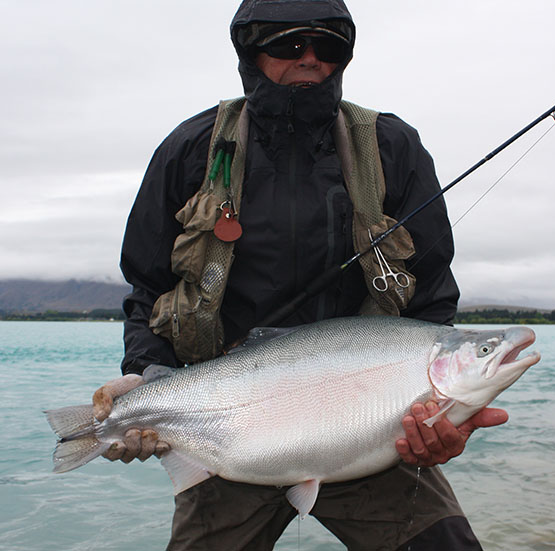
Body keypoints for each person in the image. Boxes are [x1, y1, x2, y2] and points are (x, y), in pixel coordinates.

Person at [94, 1, 508, 549]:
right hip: (230, 432)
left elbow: (431, 302)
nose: (311, 60)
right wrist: (146, 379)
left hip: (371, 432)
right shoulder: (190, 150)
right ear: (250, 52)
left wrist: (438, 422)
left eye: (329, 47)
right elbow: (147, 288)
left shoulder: (392, 147)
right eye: (290, 45)